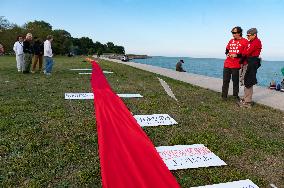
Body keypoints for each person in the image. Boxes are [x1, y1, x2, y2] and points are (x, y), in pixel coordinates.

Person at [238, 28, 262, 108]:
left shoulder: (257, 42)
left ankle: (248, 102)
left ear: (254, 35)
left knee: (249, 81)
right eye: (247, 35)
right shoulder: (250, 42)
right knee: (246, 80)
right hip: (247, 63)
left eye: (249, 35)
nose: (247, 37)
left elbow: (247, 52)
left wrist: (244, 53)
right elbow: (244, 51)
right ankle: (246, 98)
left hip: (251, 63)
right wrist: (244, 53)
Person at [222, 26, 248, 100]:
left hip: (236, 65)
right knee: (225, 81)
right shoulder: (231, 41)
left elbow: (245, 54)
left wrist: (237, 55)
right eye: (232, 32)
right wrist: (227, 53)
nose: (233, 34)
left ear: (239, 33)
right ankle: (224, 96)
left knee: (235, 82)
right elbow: (227, 49)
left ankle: (235, 96)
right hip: (227, 64)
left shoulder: (245, 41)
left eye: (234, 33)